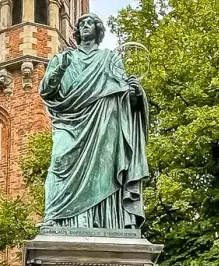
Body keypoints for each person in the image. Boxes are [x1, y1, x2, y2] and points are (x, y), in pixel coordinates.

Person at [38, 12, 149, 229]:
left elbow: (123, 96)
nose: (86, 26)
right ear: (77, 31)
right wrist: (60, 69)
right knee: (59, 160)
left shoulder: (109, 59)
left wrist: (135, 94)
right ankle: (55, 215)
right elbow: (47, 92)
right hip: (69, 121)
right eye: (82, 24)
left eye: (91, 23)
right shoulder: (64, 59)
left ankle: (104, 221)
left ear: (97, 31)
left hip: (104, 122)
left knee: (105, 169)